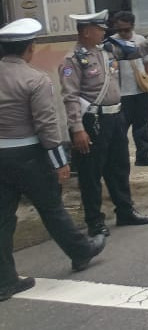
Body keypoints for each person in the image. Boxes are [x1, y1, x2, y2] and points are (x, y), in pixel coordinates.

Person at [0, 18, 106, 301]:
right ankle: (81, 251)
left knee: (2, 218)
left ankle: (5, 280)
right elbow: (46, 125)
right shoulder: (35, 79)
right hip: (28, 155)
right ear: (30, 49)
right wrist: (60, 161)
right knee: (51, 208)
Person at [60, 8, 148, 237]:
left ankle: (125, 211)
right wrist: (77, 129)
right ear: (86, 32)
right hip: (92, 121)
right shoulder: (73, 60)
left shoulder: (109, 49)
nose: (104, 32)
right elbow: (70, 97)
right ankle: (95, 221)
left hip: (115, 117)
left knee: (119, 167)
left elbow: (139, 50)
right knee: (91, 173)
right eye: (99, 29)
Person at [111, 11, 148, 167]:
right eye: (119, 30)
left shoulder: (140, 40)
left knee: (142, 126)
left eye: (126, 30)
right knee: (120, 130)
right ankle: (120, 159)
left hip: (140, 91)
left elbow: (147, 64)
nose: (123, 33)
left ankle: (143, 155)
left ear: (132, 26)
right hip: (121, 94)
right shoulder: (111, 44)